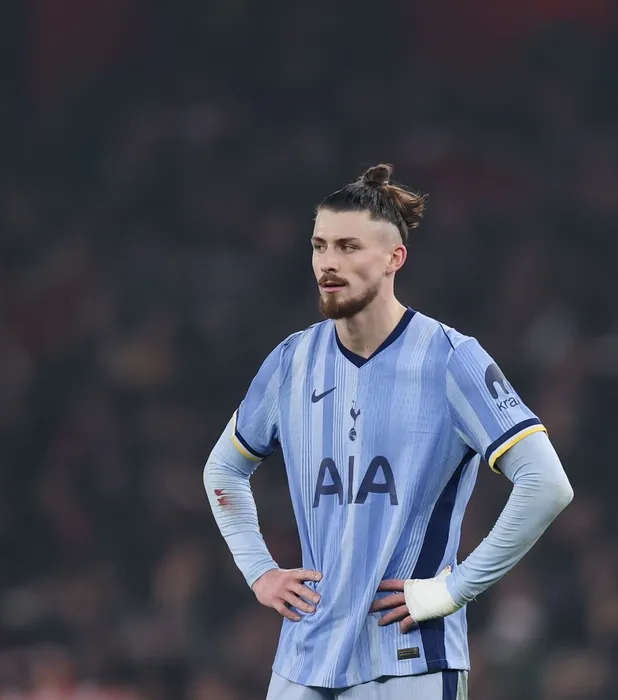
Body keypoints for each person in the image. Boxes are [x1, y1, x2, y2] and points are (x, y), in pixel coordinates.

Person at [203, 164, 574, 699]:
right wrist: (259, 570)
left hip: (410, 662)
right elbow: (223, 469)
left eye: (349, 247)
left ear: (394, 258)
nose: (328, 263)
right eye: (320, 246)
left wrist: (455, 588)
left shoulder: (451, 359)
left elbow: (546, 484)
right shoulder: (291, 362)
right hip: (302, 660)